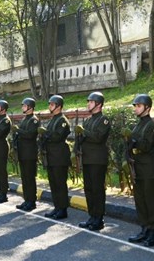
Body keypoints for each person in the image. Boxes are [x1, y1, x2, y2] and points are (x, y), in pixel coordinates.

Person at [125, 94, 154, 247]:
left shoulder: (152, 126)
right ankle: (144, 228)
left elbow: (147, 146)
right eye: (135, 106)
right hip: (138, 166)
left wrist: (134, 141)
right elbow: (130, 145)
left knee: (149, 200)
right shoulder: (138, 124)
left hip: (148, 167)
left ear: (147, 108)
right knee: (139, 200)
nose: (136, 109)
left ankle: (153, 232)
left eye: (138, 106)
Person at [75, 92, 111, 231]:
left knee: (97, 189)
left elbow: (98, 137)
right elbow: (82, 139)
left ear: (98, 104)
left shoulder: (103, 120)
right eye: (88, 101)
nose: (88, 104)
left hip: (97, 160)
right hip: (87, 159)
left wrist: (84, 132)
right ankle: (92, 216)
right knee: (89, 189)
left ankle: (99, 218)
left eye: (91, 102)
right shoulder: (88, 120)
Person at [39, 95, 70, 219]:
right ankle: (57, 207)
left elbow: (57, 137)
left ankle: (63, 209)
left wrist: (45, 134)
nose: (49, 106)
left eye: (52, 104)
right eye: (50, 104)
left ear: (58, 106)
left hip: (59, 157)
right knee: (53, 183)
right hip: (52, 156)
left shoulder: (62, 120)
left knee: (60, 183)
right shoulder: (54, 119)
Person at [14, 97, 40, 211]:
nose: (22, 107)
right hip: (23, 153)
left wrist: (18, 130)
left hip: (29, 153)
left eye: (24, 106)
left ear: (30, 107)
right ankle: (27, 199)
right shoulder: (25, 119)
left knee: (30, 178)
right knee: (24, 178)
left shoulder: (34, 120)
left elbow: (30, 135)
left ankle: (32, 201)